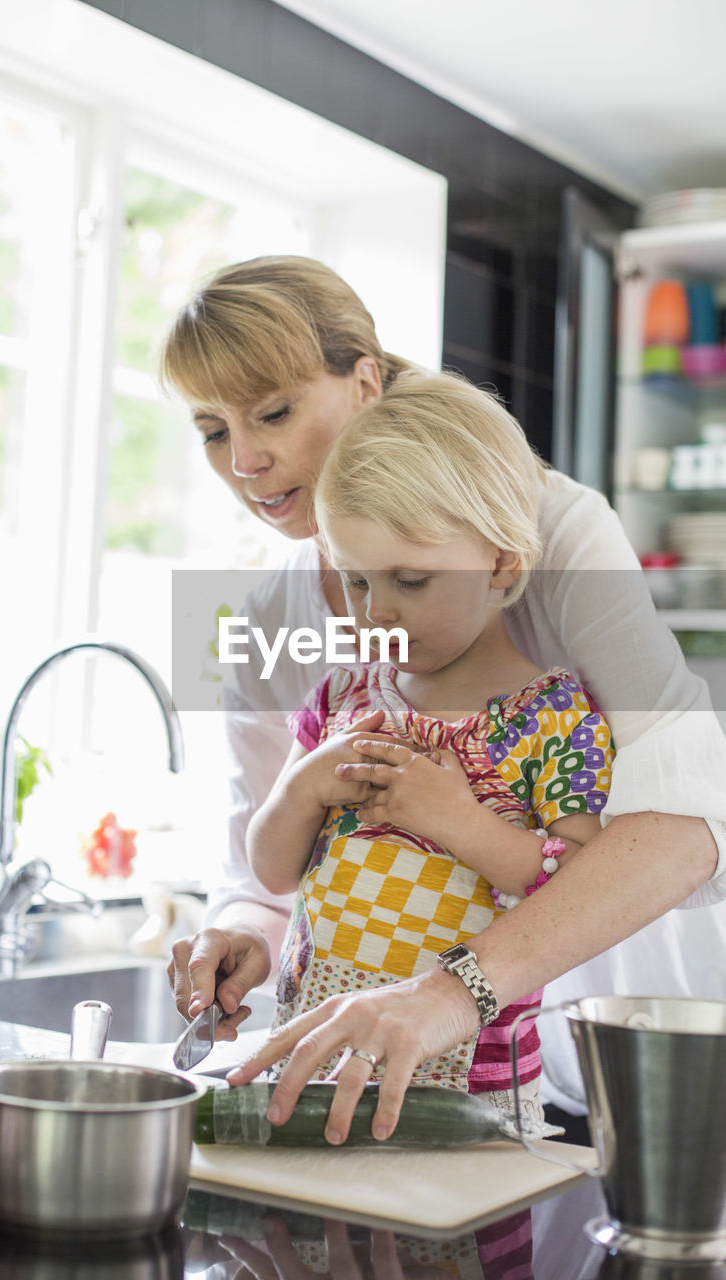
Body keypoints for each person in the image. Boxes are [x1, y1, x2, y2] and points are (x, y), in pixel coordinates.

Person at [162, 255, 726, 1143]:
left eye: (272, 411)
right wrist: (238, 934)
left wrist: (448, 990)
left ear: (365, 382)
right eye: (209, 429)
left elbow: (692, 824)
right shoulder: (266, 608)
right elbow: (259, 871)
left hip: (617, 1043)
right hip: (397, 1069)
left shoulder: (550, 527)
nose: (245, 461)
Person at [247, 372, 613, 1123]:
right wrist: (302, 790)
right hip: (308, 1065)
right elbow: (272, 870)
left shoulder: (558, 722)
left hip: (474, 1102)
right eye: (354, 582)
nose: (375, 611)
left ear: (504, 565)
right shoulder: (339, 698)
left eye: (410, 580)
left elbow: (580, 891)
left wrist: (459, 821)